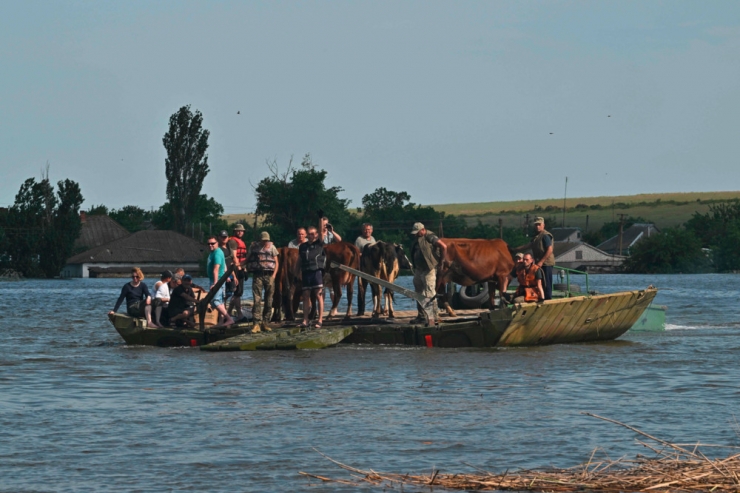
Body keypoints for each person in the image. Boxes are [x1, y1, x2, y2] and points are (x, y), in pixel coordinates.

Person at [409, 222, 447, 325]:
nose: (416, 234)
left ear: (423, 230)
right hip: (419, 269)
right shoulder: (417, 238)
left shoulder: (430, 237)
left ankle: (434, 316)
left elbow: (443, 246)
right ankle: (421, 316)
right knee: (418, 292)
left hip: (429, 269)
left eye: (417, 232)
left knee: (430, 293)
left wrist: (441, 262)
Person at [514, 217, 555, 300]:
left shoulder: (545, 235)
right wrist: (515, 249)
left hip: (546, 263)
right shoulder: (536, 237)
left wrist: (541, 261)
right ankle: (539, 297)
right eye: (536, 225)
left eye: (539, 225)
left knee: (546, 283)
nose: (537, 227)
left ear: (543, 225)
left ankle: (548, 300)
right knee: (539, 282)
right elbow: (527, 246)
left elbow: (550, 249)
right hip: (538, 263)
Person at [246, 231, 279, 332]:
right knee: (257, 300)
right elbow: (247, 259)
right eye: (263, 240)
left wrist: (273, 276)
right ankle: (256, 323)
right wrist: (240, 265)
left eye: (266, 240)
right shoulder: (253, 247)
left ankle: (265, 322)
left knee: (269, 300)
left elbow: (276, 263)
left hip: (269, 276)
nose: (265, 242)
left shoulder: (272, 247)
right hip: (258, 275)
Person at [299, 226, 326, 329]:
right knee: (305, 295)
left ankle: (320, 320)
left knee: (319, 295)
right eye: (309, 234)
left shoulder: (319, 244)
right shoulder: (303, 246)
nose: (311, 236)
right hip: (306, 272)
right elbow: (299, 260)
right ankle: (305, 320)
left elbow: (321, 231)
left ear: (316, 234)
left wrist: (320, 219)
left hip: (316, 271)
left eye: (313, 234)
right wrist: (296, 272)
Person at [206, 235, 236, 327]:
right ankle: (221, 322)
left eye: (213, 243)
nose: (210, 245)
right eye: (209, 244)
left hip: (217, 280)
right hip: (219, 279)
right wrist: (226, 274)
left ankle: (229, 319)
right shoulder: (213, 252)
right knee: (221, 302)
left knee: (215, 301)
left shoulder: (217, 253)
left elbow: (216, 269)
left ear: (217, 243)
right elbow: (224, 265)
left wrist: (215, 284)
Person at [227, 224, 248, 320]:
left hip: (241, 267)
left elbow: (243, 257)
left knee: (238, 292)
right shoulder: (233, 241)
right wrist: (239, 269)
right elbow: (234, 256)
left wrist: (245, 269)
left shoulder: (242, 242)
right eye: (238, 231)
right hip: (235, 268)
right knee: (238, 292)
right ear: (235, 231)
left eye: (241, 231)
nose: (240, 232)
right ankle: (239, 315)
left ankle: (228, 314)